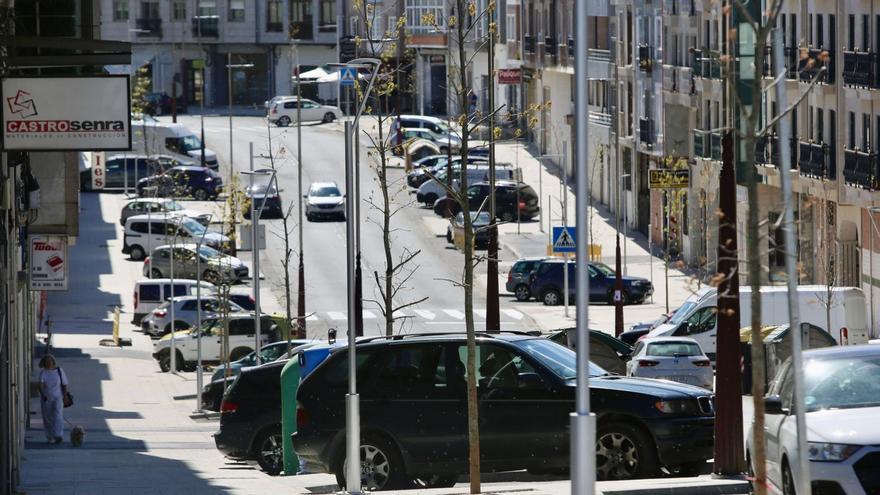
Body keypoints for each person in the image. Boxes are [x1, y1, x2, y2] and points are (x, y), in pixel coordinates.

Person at [38, 354, 68, 444]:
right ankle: (50, 436)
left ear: (53, 362)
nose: (48, 363)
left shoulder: (59, 371)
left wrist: (65, 395)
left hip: (58, 397)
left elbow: (64, 384)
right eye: (46, 362)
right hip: (46, 398)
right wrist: (43, 394)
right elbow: (40, 385)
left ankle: (58, 435)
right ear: (43, 363)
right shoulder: (43, 373)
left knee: (58, 416)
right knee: (47, 418)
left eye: (49, 361)